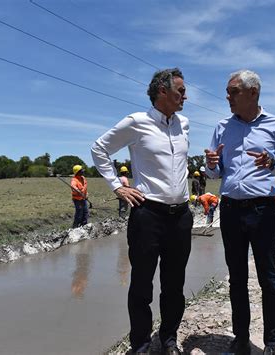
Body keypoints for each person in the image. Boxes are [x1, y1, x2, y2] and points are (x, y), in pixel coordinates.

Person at [91, 68, 191, 354]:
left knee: (174, 285)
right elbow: (99, 148)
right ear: (162, 91)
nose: (185, 95)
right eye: (180, 90)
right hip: (148, 215)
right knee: (141, 285)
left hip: (181, 216)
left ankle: (169, 339)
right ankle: (141, 345)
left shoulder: (183, 123)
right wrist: (117, 186)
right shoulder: (137, 122)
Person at [204, 70, 275, 355]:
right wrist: (210, 164)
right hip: (231, 210)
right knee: (237, 278)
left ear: (252, 93)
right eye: (228, 91)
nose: (227, 97)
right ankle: (241, 338)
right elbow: (215, 172)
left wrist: (272, 163)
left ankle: (271, 344)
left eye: (233, 91)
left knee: (268, 278)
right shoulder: (222, 127)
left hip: (263, 210)